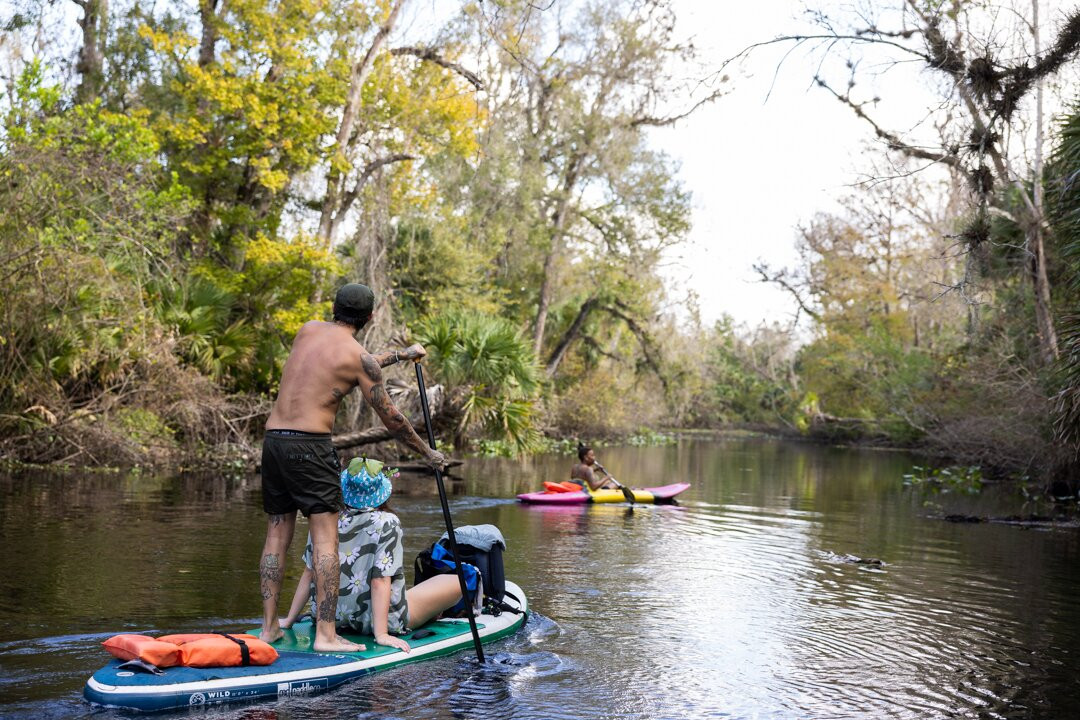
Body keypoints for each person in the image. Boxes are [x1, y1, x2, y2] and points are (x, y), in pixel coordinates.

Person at [257, 282, 445, 653]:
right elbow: (392, 418)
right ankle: (326, 636)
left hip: (274, 441)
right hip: (310, 448)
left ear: (334, 307)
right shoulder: (359, 359)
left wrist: (400, 355)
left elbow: (345, 360)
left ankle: (268, 629)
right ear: (371, 316)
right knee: (327, 539)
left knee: (276, 534)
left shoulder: (308, 330)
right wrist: (427, 453)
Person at [280, 462, 462, 654]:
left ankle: (432, 613)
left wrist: (289, 620)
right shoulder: (387, 522)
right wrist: (381, 634)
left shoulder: (325, 519)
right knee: (459, 582)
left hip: (327, 619)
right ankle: (445, 612)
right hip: (377, 621)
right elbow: (380, 580)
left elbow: (309, 572)